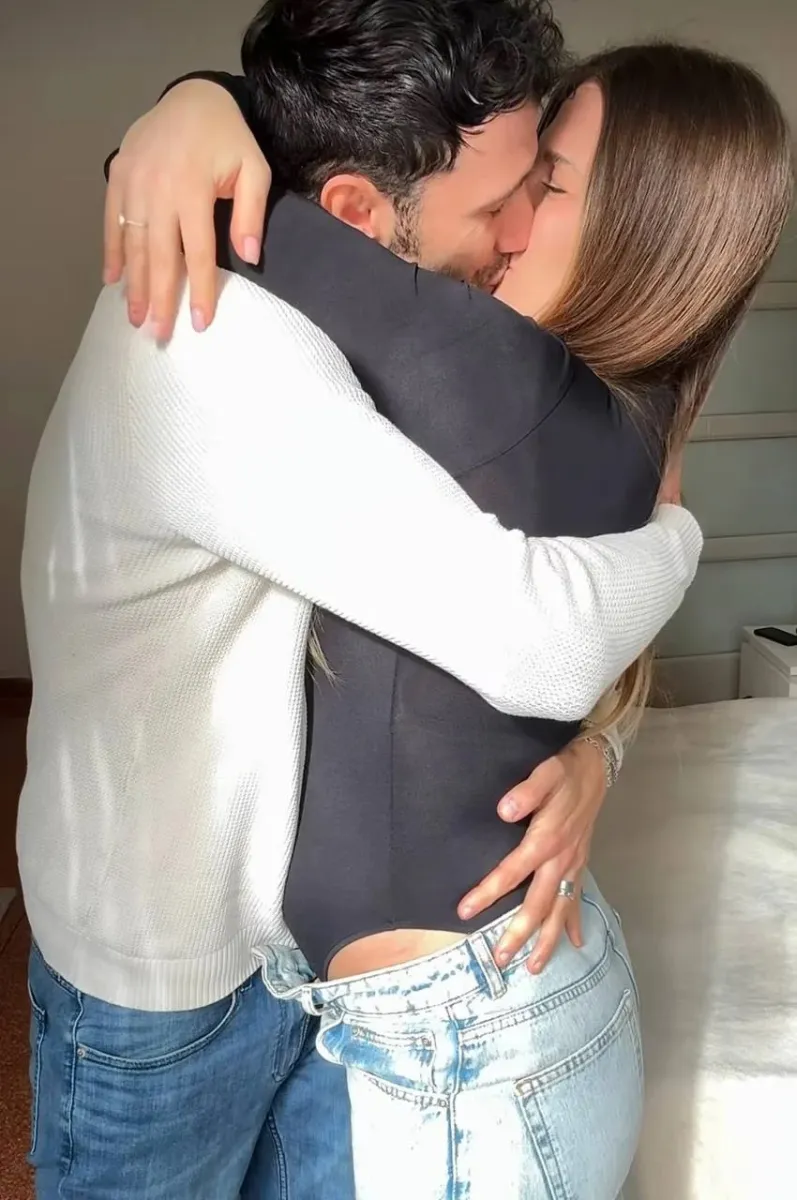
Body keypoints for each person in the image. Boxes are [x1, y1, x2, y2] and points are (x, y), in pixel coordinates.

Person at [20, 5, 706, 1200]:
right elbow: (540, 641)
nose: (518, 236)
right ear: (351, 215)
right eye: (499, 207)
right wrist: (679, 527)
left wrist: (595, 752)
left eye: (540, 186)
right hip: (167, 980)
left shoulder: (339, 313)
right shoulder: (213, 348)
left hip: (295, 947)